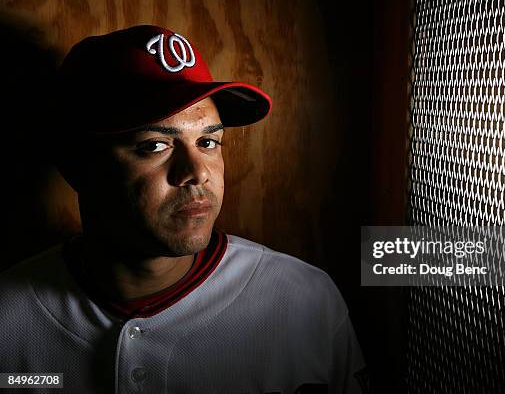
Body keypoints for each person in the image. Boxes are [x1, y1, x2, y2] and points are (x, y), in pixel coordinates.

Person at [0, 25, 366, 394]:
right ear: (76, 164)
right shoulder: (8, 316)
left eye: (208, 141)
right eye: (155, 146)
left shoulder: (304, 300)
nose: (197, 173)